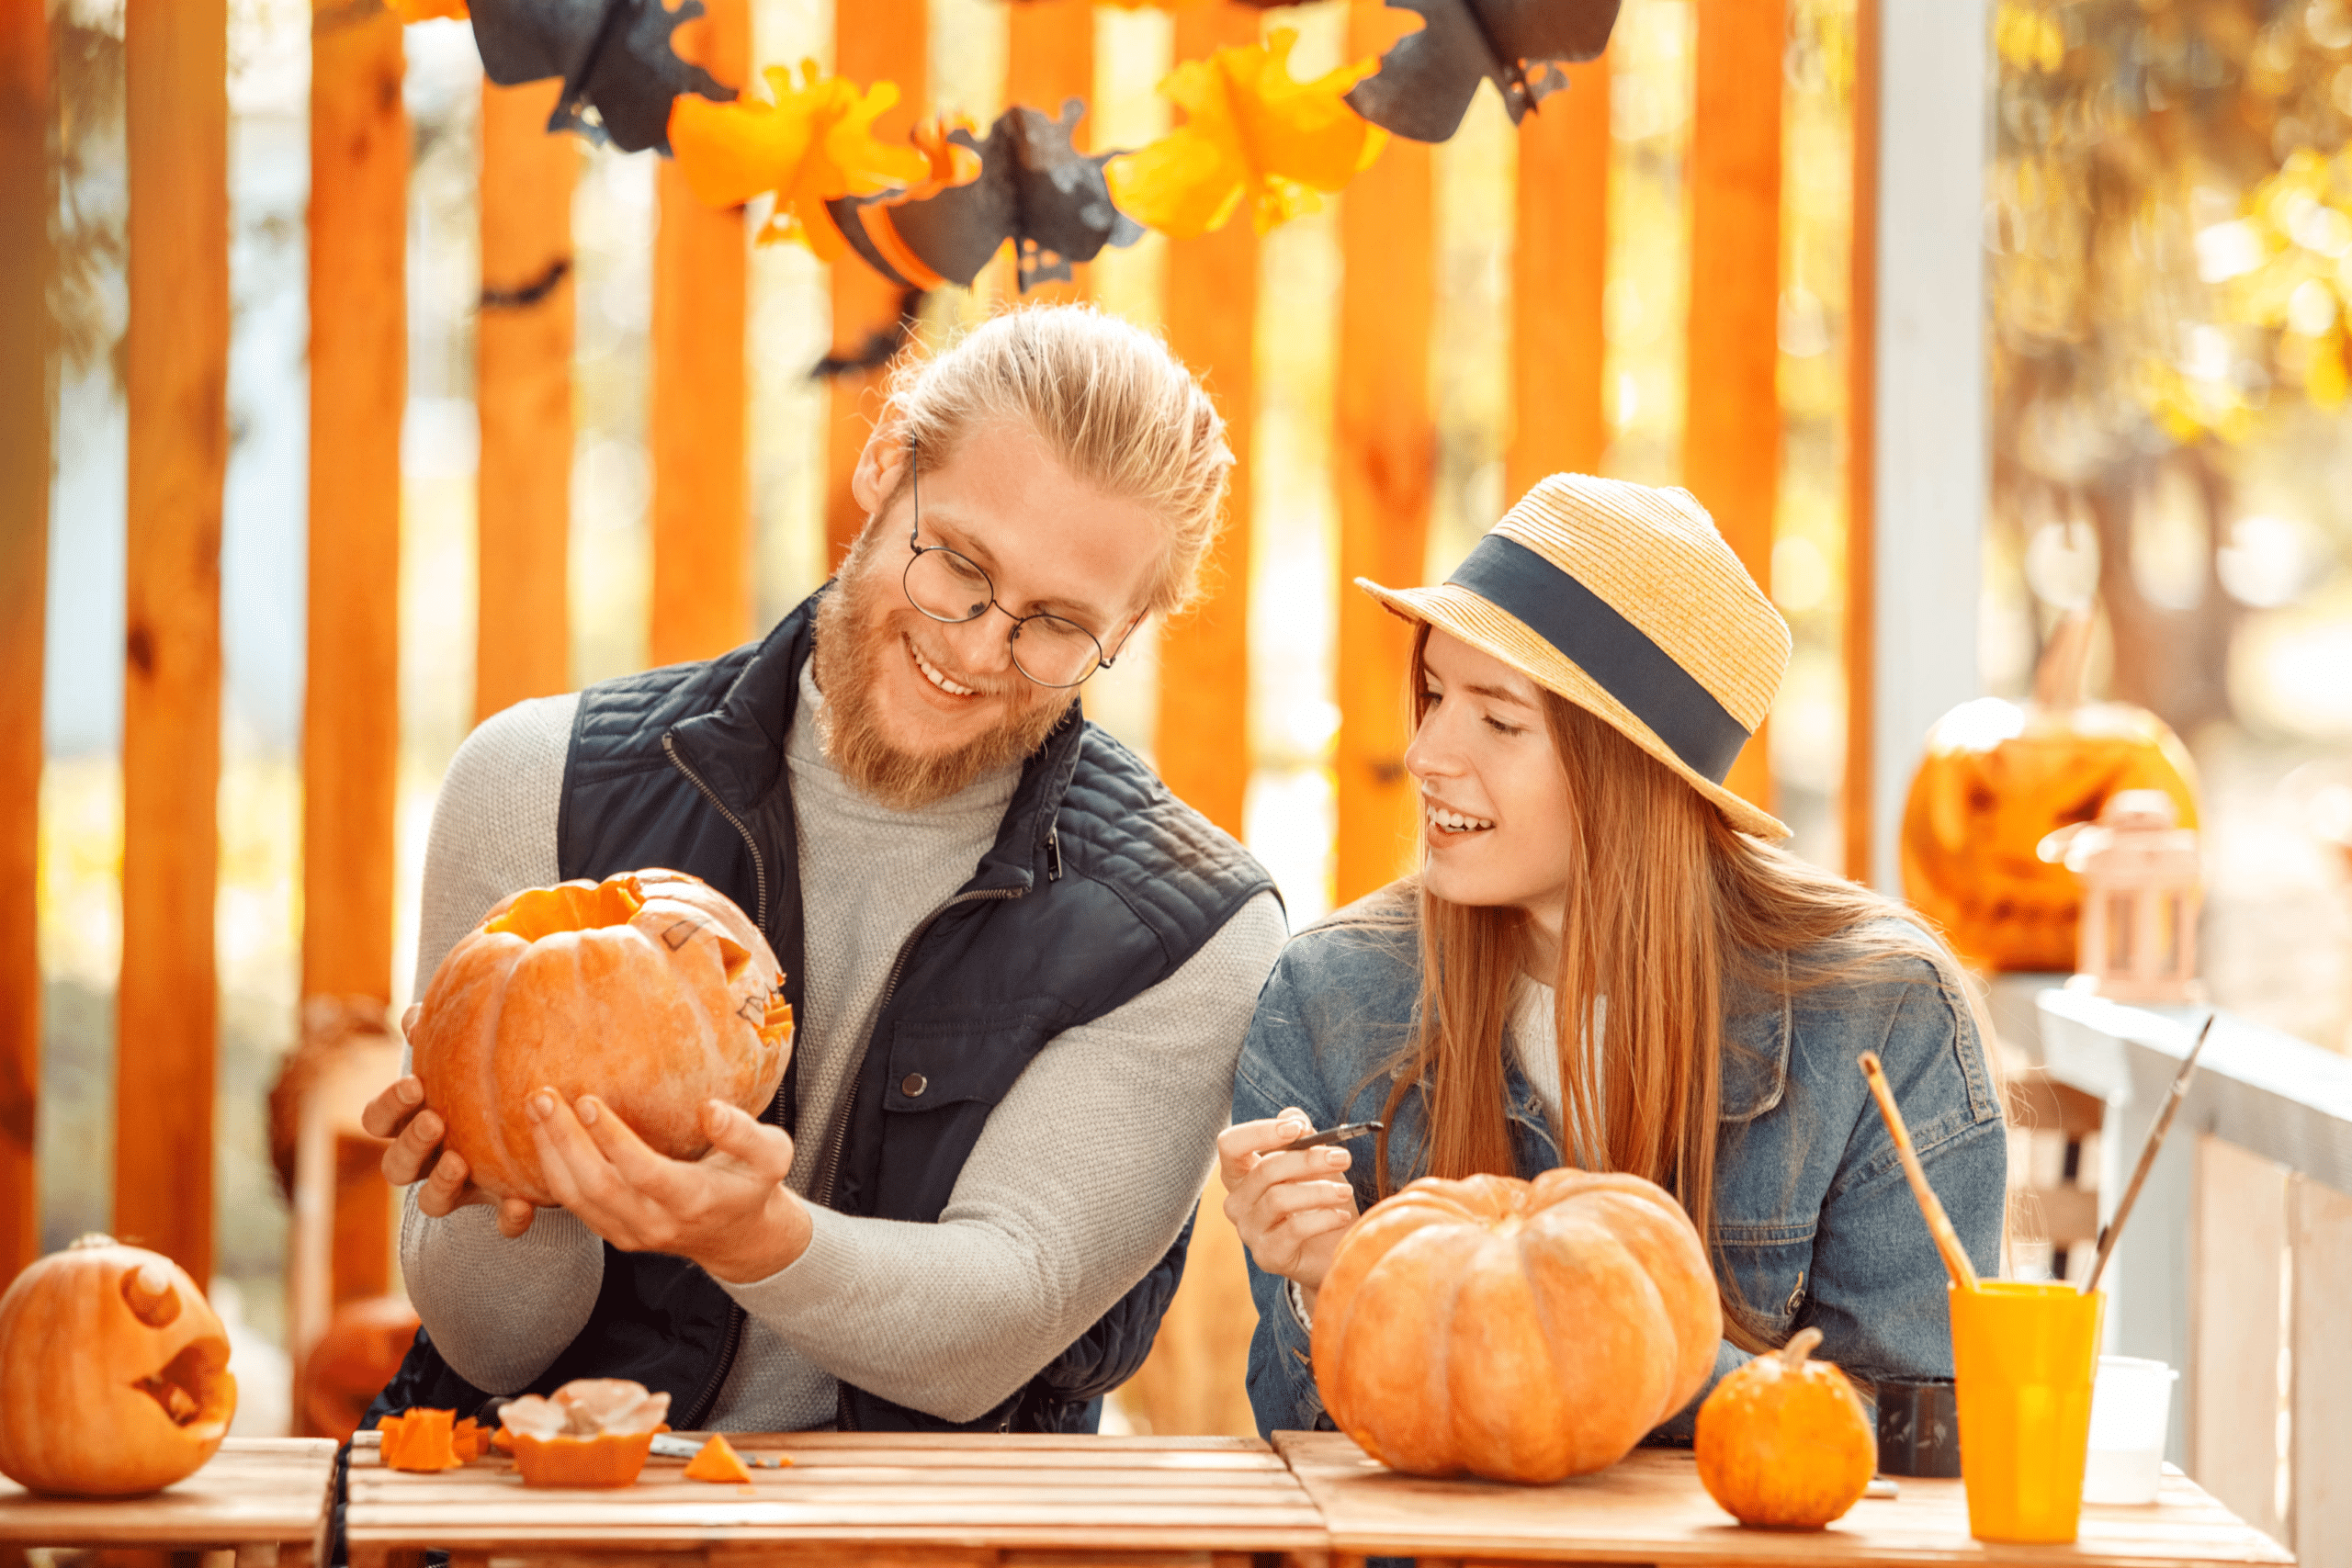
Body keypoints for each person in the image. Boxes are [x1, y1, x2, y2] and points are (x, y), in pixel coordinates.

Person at [361, 305, 1285, 1434]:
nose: (978, 647)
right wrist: (523, 1177)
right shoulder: (535, 786)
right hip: (581, 1523)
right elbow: (490, 1345)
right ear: (883, 464)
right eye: (957, 564)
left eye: (1055, 624)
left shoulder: (1190, 928)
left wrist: (753, 1238)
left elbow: (998, 1320)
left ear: (1129, 629)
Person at [1218, 474, 2007, 1440]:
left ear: (1633, 773)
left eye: (1498, 720)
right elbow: (1301, 1452)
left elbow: (1919, 1441)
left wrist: (1602, 1334)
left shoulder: (1885, 1016)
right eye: (1431, 695)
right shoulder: (1326, 997)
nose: (1425, 753)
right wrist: (1325, 1286)